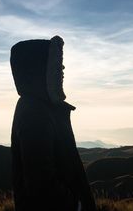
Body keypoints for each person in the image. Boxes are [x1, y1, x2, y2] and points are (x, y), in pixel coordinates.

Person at [10, 36, 97, 211]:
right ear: (39, 72)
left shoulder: (39, 107)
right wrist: (76, 206)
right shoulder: (35, 113)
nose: (62, 69)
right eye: (56, 64)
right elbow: (40, 183)